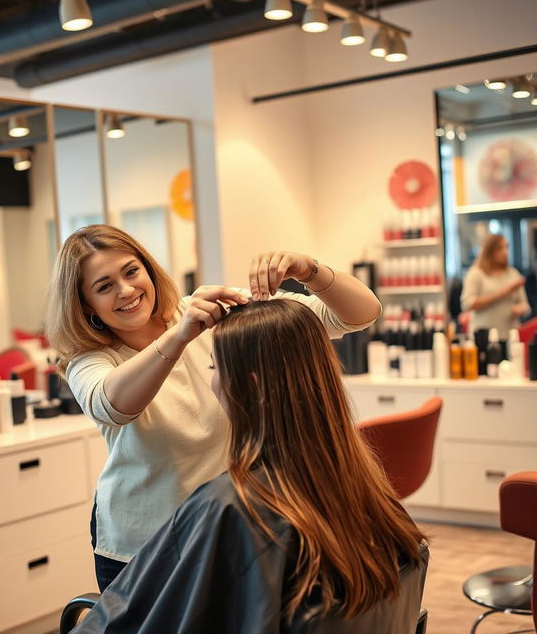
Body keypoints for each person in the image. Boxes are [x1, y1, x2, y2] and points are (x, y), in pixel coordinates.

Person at [44, 225, 382, 591]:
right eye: (104, 286)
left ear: (148, 269)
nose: (126, 291)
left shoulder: (204, 312)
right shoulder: (90, 360)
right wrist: (179, 335)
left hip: (226, 527)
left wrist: (309, 270)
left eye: (131, 271)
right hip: (144, 545)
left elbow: (358, 315)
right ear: (85, 304)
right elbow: (111, 406)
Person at [71, 299, 428, 634]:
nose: (210, 381)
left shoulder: (229, 508)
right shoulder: (364, 482)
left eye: (212, 367)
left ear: (250, 385)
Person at [461, 234, 530, 340]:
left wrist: (518, 310)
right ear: (489, 251)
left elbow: (525, 306)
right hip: (483, 336)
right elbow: (468, 304)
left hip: (509, 335)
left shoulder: (512, 274)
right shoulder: (476, 274)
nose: (505, 252)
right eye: (500, 248)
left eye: (506, 247)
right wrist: (505, 291)